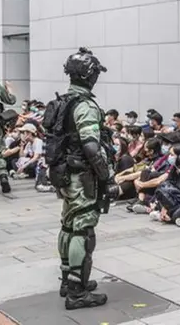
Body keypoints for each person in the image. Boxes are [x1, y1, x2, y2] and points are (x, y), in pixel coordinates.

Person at [52, 47, 111, 310]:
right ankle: (77, 291)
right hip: (82, 177)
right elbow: (91, 147)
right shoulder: (85, 106)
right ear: (89, 76)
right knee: (83, 230)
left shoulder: (65, 101)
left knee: (67, 224)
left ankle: (68, 279)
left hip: (64, 174)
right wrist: (106, 176)